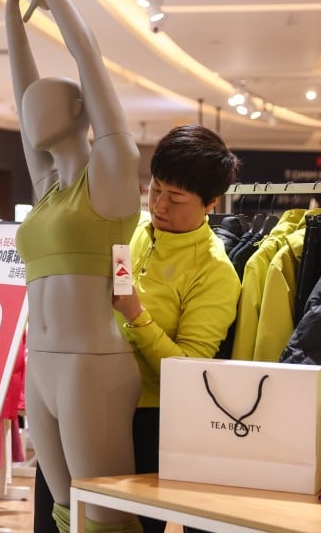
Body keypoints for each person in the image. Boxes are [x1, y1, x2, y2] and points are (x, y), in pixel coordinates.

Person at [7, 0, 143, 533]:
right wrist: (11, 17)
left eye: (49, 102)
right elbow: (21, 101)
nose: (33, 111)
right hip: (43, 364)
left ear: (82, 109)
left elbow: (93, 66)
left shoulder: (110, 177)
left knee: (105, 519)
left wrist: (54, 2)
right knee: (65, 513)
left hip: (92, 365)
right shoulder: (48, 191)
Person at [112, 125, 241, 533]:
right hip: (99, 403)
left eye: (176, 197)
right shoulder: (131, 233)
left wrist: (137, 315)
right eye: (154, 190)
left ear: (211, 204)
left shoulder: (215, 271)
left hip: (153, 420)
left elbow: (190, 369)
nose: (159, 205)